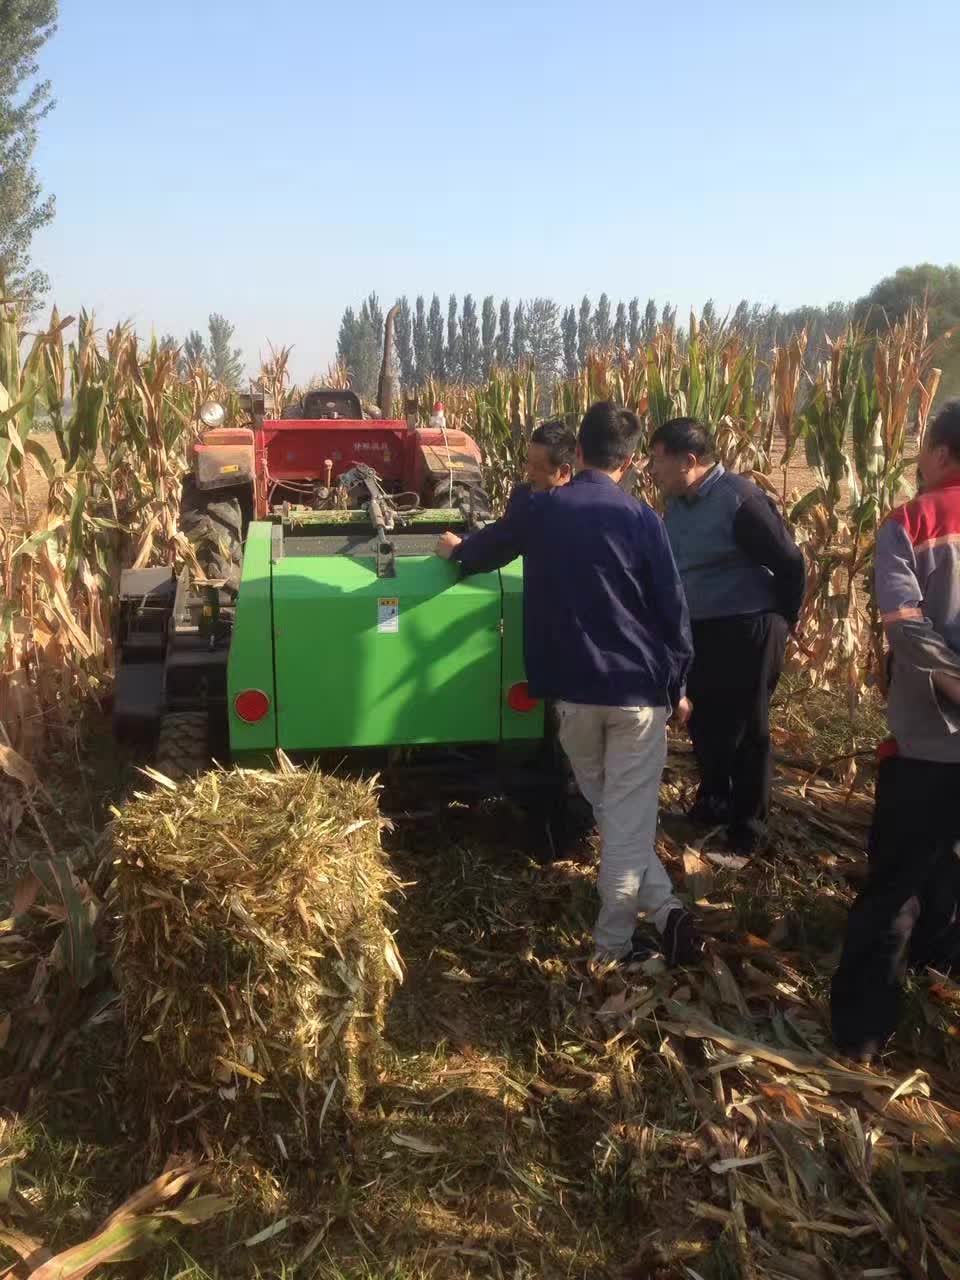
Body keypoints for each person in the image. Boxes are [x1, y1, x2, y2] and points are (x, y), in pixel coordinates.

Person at [436, 401, 702, 968]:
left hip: (574, 696)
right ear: (628, 463)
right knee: (624, 820)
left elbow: (485, 552)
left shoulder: (542, 510)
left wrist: (457, 551)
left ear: (576, 454)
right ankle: (627, 940)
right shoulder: (642, 519)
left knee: (614, 815)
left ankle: (649, 926)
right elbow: (671, 611)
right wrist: (676, 682)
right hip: (636, 694)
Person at [831, 400, 960, 1060]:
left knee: (894, 886)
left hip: (928, 742)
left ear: (939, 453)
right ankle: (938, 970)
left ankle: (862, 1033)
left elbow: (906, 629)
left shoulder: (911, 521)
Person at [649, 418, 806, 855]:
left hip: (747, 628)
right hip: (698, 628)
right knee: (703, 719)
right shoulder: (678, 501)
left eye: (658, 460)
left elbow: (790, 564)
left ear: (690, 461)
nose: (652, 469)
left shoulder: (740, 500)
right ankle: (714, 800)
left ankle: (748, 829)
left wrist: (781, 623)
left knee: (747, 728)